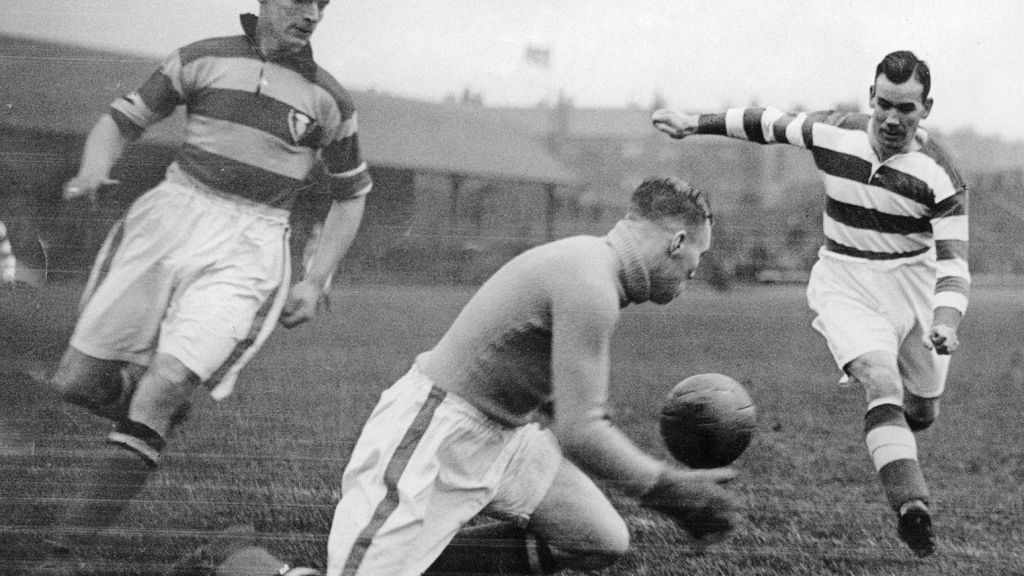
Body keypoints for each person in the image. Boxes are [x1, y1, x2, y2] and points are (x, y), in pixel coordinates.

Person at [194, 175, 740, 576]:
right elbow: (582, 431)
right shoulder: (591, 281)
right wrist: (670, 491)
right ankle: (239, 562)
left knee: (598, 539)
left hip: (507, 437)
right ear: (676, 243)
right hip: (437, 430)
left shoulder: (594, 269)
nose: (693, 275)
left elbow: (536, 375)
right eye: (695, 262)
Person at [34, 0, 372, 570]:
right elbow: (120, 120)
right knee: (76, 381)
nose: (311, 13)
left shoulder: (330, 99)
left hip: (250, 243)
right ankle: (154, 416)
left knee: (165, 383)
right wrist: (93, 170)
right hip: (170, 217)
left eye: (322, 3)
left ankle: (64, 555)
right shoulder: (200, 58)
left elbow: (352, 193)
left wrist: (315, 280)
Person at [651, 50, 969, 557]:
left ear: (925, 109)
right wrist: (695, 123)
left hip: (915, 282)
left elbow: (953, 264)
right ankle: (912, 507)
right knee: (880, 380)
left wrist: (946, 322)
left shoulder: (942, 175)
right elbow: (768, 124)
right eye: (885, 104)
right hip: (846, 278)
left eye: (906, 108)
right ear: (871, 97)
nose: (892, 118)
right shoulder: (835, 131)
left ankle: (893, 435)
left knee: (922, 411)